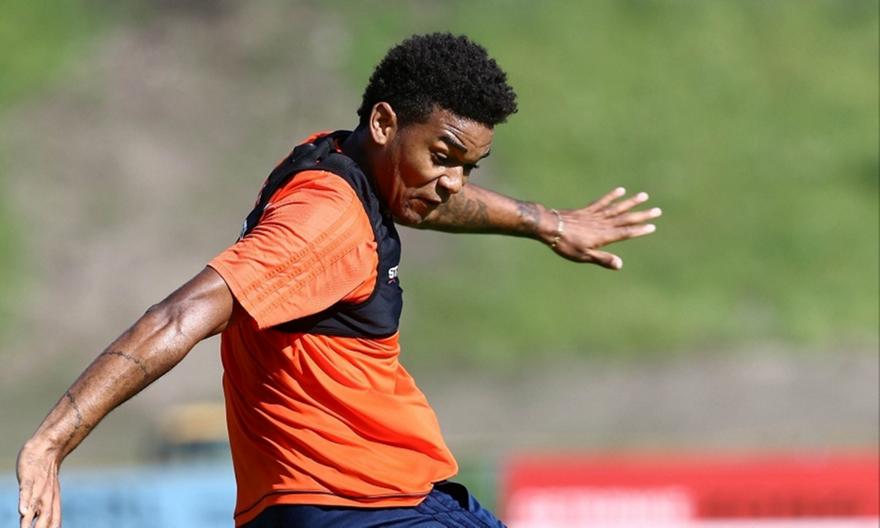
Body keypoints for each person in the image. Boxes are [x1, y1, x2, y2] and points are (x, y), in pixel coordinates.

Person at [17, 33, 661, 528]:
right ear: (384, 123)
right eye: (443, 157)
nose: (454, 183)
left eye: (469, 166)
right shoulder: (325, 222)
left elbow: (437, 200)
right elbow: (179, 316)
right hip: (360, 505)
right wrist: (50, 443)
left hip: (346, 502)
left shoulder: (336, 159)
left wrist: (546, 222)